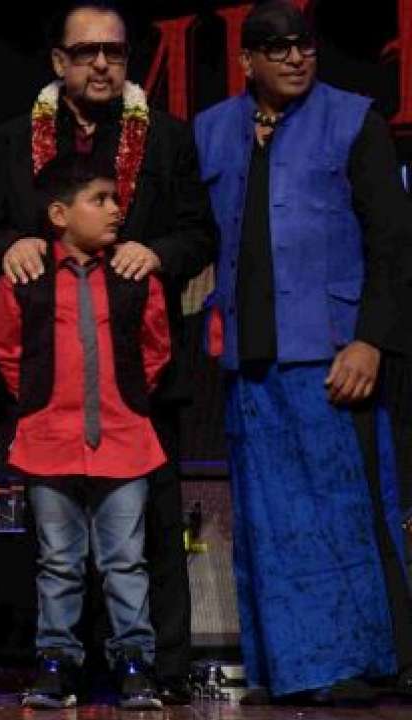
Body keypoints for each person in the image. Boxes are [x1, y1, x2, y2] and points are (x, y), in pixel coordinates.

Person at [0, 2, 216, 702]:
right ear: (59, 62)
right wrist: (11, 245)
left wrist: (157, 250)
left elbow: (199, 234)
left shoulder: (165, 139)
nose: (102, 64)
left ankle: (155, 670)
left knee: (148, 541)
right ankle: (55, 663)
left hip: (136, 388)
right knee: (56, 550)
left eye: (114, 52)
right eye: (86, 53)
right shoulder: (14, 140)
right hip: (51, 386)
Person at [193, 0, 412, 704]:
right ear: (247, 60)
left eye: (304, 46)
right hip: (251, 361)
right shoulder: (213, 130)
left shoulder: (354, 122)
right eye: (277, 48)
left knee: (344, 512)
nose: (295, 58)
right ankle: (287, 669)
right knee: (271, 521)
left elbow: (392, 245)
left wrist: (372, 340)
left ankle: (365, 663)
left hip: (333, 352)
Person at [0, 154, 166, 711]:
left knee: (124, 559)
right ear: (60, 214)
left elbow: (155, 347)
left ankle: (134, 661)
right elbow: (9, 350)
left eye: (116, 199)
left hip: (123, 438)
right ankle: (56, 661)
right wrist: (42, 404)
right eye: (101, 200)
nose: (116, 209)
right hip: (50, 439)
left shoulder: (133, 274)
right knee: (59, 560)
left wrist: (128, 401)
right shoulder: (28, 275)